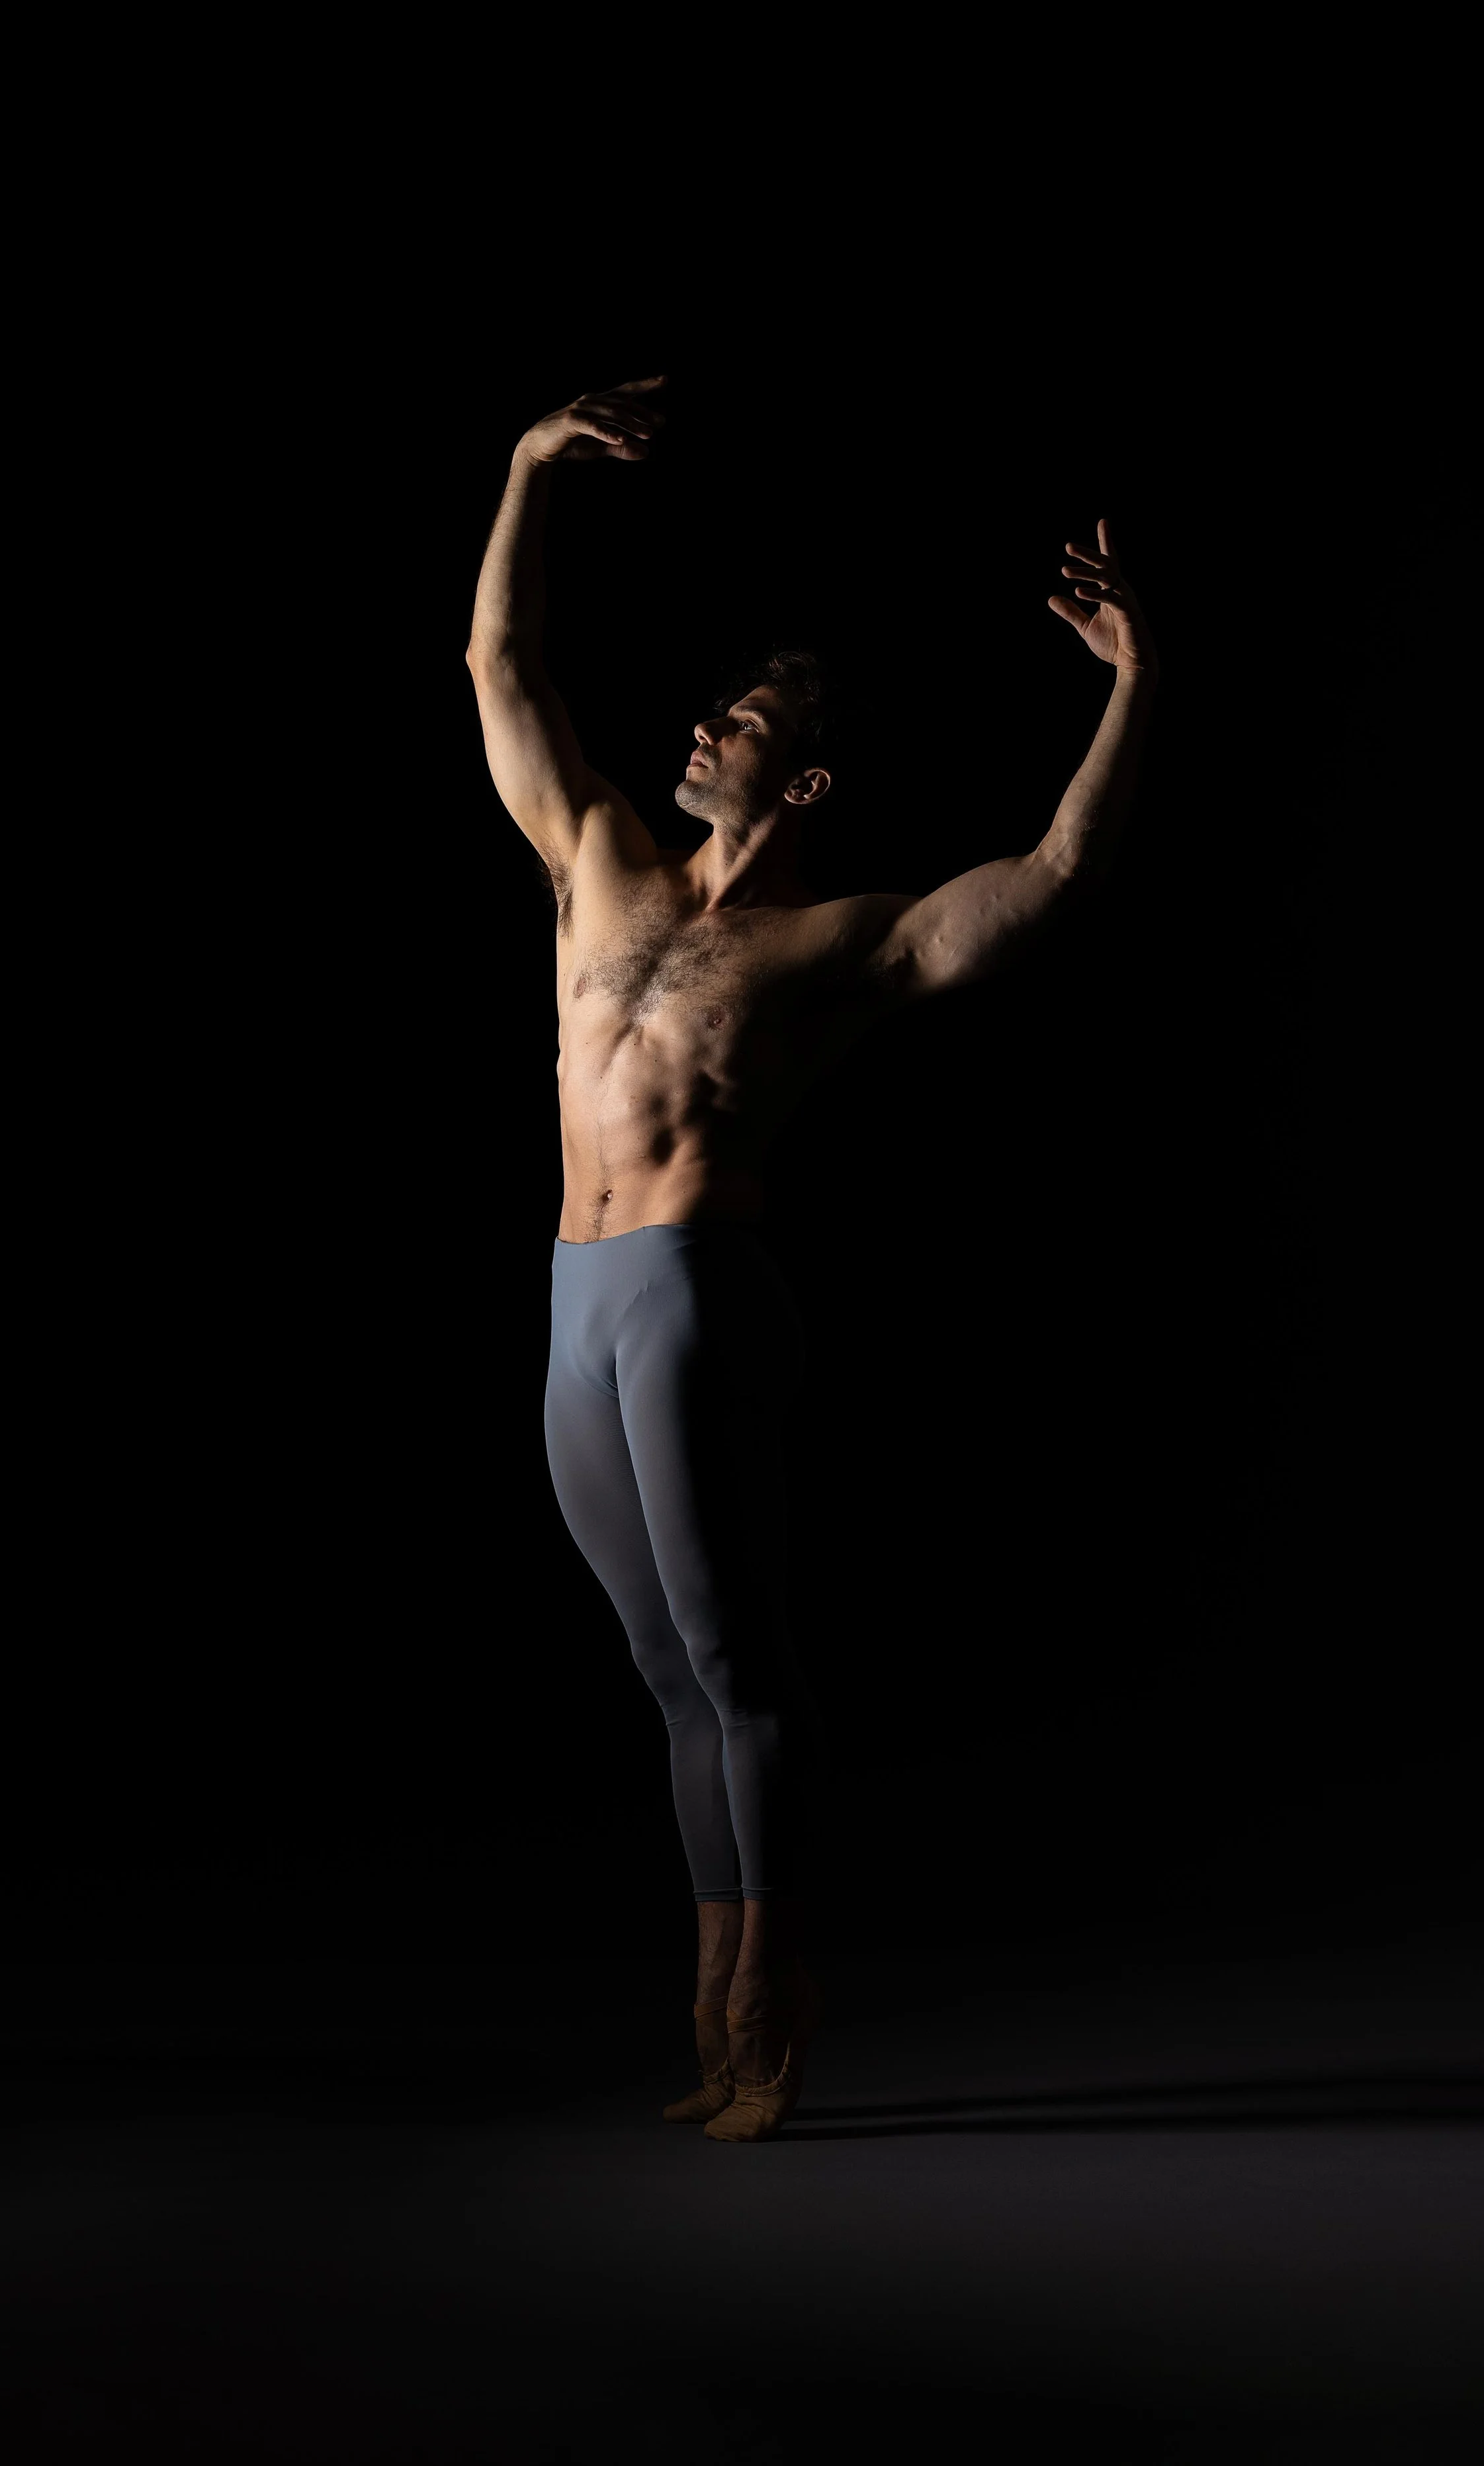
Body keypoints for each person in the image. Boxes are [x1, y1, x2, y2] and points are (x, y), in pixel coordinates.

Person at [464, 376, 1159, 2144]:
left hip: (699, 1290)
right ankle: (713, 2002)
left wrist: (1137, 684)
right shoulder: (601, 860)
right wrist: (535, 462)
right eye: (715, 703)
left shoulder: (836, 940)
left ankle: (766, 1994)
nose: (710, 723)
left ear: (807, 772)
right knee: (658, 1669)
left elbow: (1060, 869)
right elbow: (502, 668)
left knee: (732, 1648)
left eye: (750, 715)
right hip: (573, 1302)